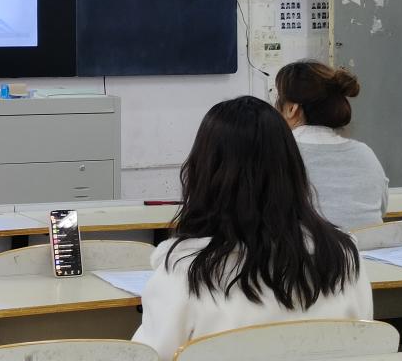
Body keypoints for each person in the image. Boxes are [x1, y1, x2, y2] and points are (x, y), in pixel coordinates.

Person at [132, 96, 372, 361]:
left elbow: (148, 356)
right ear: (292, 169)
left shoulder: (184, 272)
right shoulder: (345, 258)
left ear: (203, 172)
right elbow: (367, 342)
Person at [275, 60, 388, 231]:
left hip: (307, 248)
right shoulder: (365, 153)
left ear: (292, 109)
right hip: (368, 247)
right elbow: (381, 208)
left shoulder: (278, 152)